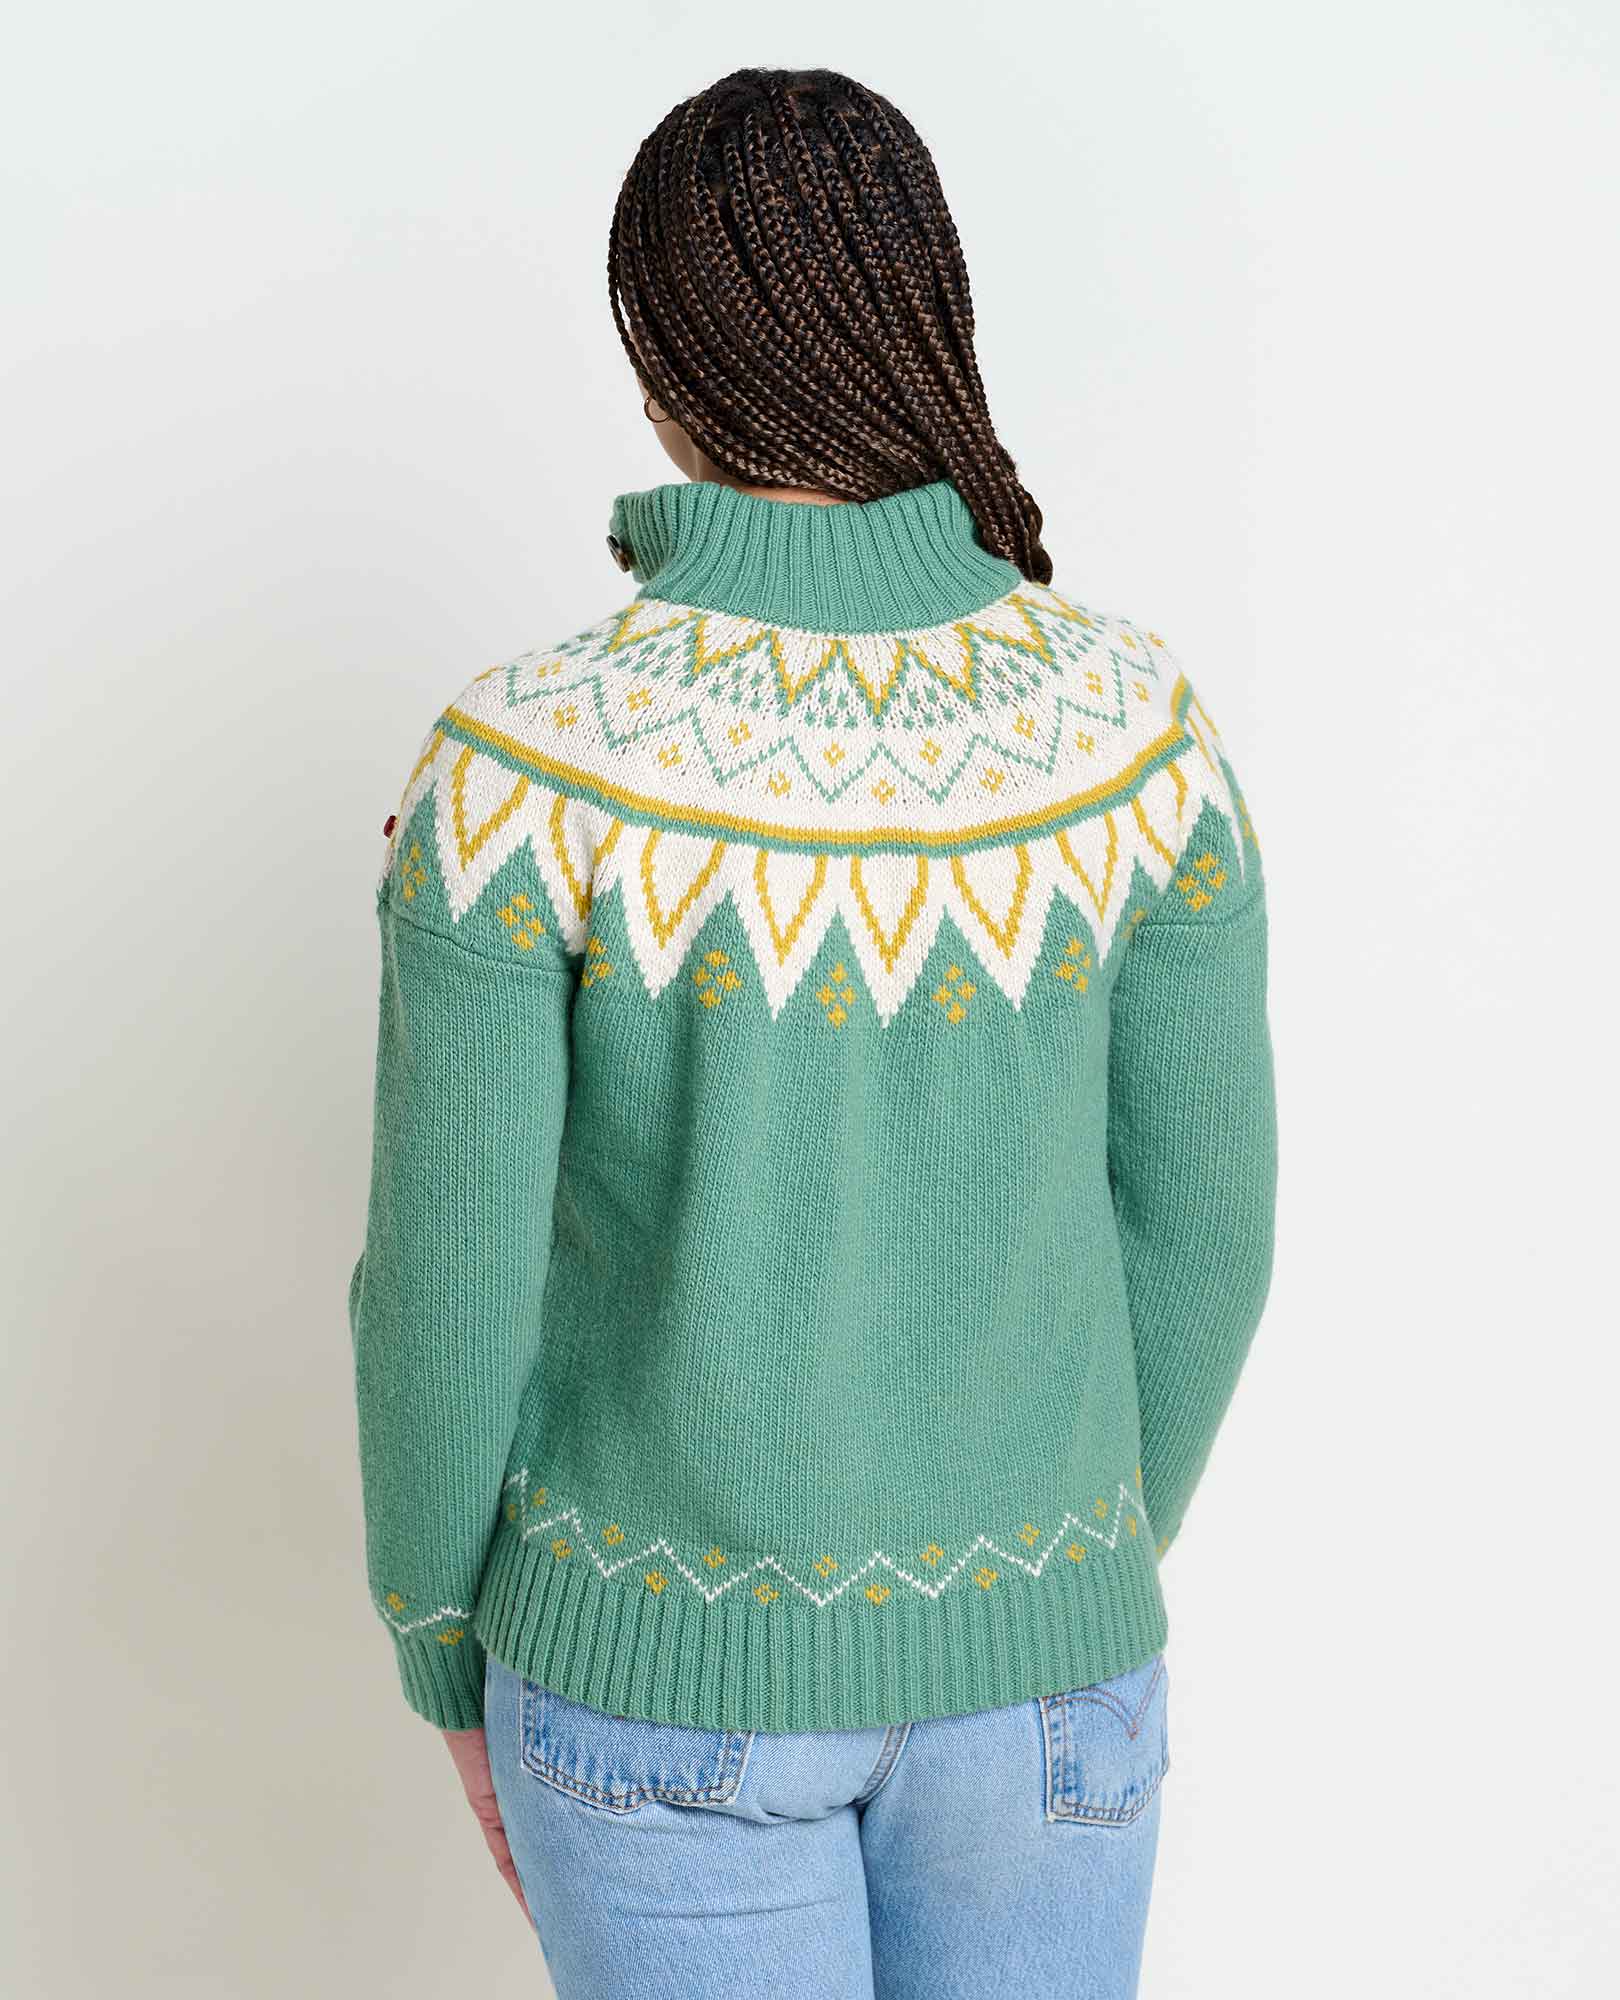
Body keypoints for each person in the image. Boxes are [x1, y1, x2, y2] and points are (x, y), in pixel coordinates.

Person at [347, 65, 1278, 2000]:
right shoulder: (1135, 732)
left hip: (652, 1685)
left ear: (658, 352)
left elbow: (446, 1284)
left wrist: (442, 1647)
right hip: (1051, 1674)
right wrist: (1070, 1568)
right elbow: (1208, 1228)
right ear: (928, 310)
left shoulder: (522, 767)